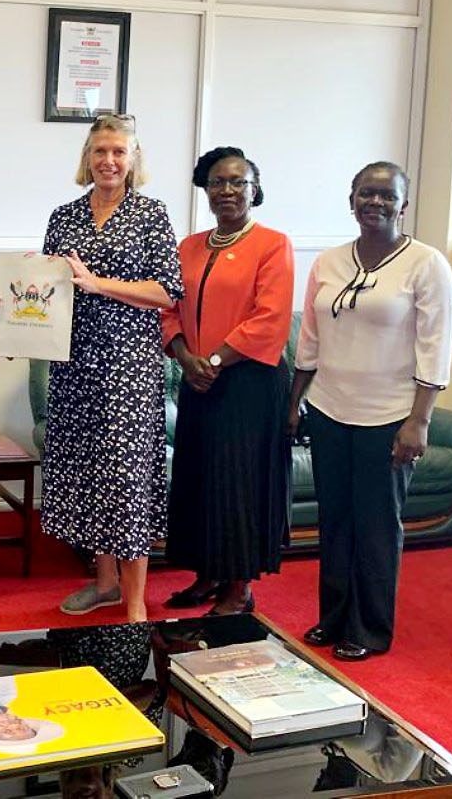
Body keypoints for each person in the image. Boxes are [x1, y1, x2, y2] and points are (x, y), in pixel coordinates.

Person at [291, 161, 452, 661]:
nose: (376, 203)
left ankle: (369, 629)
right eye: (367, 194)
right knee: (336, 520)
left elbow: (436, 346)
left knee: (377, 525)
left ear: (403, 206)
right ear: (352, 200)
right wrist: (295, 400)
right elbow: (311, 339)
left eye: (388, 196)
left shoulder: (426, 265)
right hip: (328, 409)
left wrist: (420, 419)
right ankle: (334, 616)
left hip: (388, 416)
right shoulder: (330, 261)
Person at [41, 114, 183, 623]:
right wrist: (19, 329)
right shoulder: (64, 217)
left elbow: (167, 291)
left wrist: (99, 283)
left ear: (133, 159)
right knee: (88, 473)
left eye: (119, 151)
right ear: (87, 156)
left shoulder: (152, 214)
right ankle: (102, 583)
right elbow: (45, 289)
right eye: (100, 151)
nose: (109, 161)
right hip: (76, 363)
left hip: (128, 366)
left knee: (125, 477)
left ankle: (136, 598)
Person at [161, 147, 294, 615]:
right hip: (197, 379)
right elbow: (169, 309)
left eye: (238, 181)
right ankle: (208, 574)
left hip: (248, 384)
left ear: (255, 190)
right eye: (218, 182)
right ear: (204, 189)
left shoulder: (273, 244)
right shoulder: (189, 246)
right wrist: (185, 358)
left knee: (238, 483)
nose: (228, 190)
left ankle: (239, 587)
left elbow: (270, 318)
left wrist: (213, 360)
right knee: (200, 480)